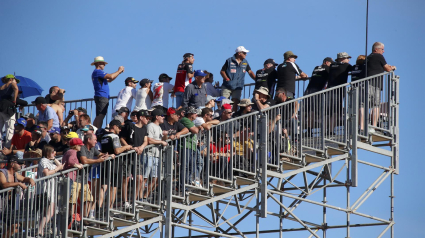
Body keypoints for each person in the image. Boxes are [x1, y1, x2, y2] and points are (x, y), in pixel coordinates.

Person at [0, 155, 35, 238]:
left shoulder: (15, 174)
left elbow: (23, 179)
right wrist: (18, 183)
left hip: (7, 205)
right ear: (12, 164)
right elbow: (4, 185)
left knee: (14, 225)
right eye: (19, 164)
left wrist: (30, 179)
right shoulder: (2, 173)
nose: (21, 165)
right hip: (1, 203)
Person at [100, 120, 132, 208]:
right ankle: (109, 209)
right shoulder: (114, 136)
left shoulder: (103, 137)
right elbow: (117, 150)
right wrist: (126, 147)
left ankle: (98, 207)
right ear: (114, 126)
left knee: (103, 187)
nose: (120, 130)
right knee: (113, 187)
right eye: (119, 127)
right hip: (115, 165)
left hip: (105, 164)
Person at [366, 42, 397, 133]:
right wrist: (393, 68)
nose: (383, 51)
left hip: (365, 84)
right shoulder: (378, 56)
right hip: (375, 85)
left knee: (363, 106)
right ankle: (374, 126)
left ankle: (364, 126)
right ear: (376, 49)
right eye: (382, 49)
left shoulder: (368, 58)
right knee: (375, 105)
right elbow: (387, 68)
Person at [79, 133, 110, 218]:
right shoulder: (82, 148)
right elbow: (84, 161)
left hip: (85, 177)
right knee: (84, 199)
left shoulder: (92, 148)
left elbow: (99, 154)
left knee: (90, 197)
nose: (96, 142)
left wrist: (107, 155)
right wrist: (98, 161)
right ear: (89, 140)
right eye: (95, 140)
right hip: (78, 178)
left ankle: (87, 216)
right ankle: (83, 218)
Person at [37, 145, 64, 237]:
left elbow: (61, 166)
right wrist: (57, 169)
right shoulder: (43, 160)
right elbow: (47, 173)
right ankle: (40, 231)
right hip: (45, 190)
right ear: (47, 152)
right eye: (52, 152)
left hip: (51, 190)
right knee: (48, 212)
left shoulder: (50, 161)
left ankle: (41, 231)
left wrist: (54, 159)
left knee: (48, 212)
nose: (54, 153)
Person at [91, 56, 125, 128]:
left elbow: (110, 80)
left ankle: (94, 129)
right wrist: (118, 70)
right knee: (101, 115)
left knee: (98, 115)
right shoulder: (98, 72)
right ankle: (98, 130)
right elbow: (111, 77)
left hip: (100, 96)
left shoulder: (96, 73)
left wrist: (118, 73)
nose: (104, 65)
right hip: (102, 96)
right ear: (99, 64)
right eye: (103, 63)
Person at [303, 57, 333, 132]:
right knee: (314, 110)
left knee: (308, 110)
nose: (331, 65)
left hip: (308, 90)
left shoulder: (316, 67)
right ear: (326, 62)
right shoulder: (328, 68)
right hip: (317, 91)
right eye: (331, 63)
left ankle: (308, 130)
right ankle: (316, 130)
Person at [144, 109, 167, 201]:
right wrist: (161, 141)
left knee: (155, 179)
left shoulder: (159, 128)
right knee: (145, 177)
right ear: (156, 117)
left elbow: (163, 140)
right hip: (149, 154)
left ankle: (145, 196)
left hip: (157, 156)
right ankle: (139, 197)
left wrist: (165, 136)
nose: (163, 117)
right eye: (162, 115)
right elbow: (149, 140)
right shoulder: (150, 126)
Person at [327, 52, 353, 134]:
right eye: (347, 58)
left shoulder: (332, 66)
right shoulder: (346, 66)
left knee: (328, 112)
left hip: (329, 90)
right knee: (336, 111)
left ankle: (326, 130)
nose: (348, 60)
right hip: (338, 91)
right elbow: (355, 70)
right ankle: (330, 130)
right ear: (342, 58)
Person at [62, 138, 85, 227]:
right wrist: (78, 165)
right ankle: (68, 218)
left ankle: (69, 218)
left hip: (67, 178)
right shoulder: (72, 152)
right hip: (69, 178)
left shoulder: (68, 151)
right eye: (80, 145)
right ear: (76, 146)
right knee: (69, 199)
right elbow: (71, 161)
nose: (81, 147)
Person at [179, 107, 201, 188]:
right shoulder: (185, 120)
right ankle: (183, 185)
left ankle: (187, 184)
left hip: (192, 146)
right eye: (195, 113)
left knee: (191, 167)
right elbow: (195, 130)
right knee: (185, 166)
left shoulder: (191, 122)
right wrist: (198, 128)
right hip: (186, 146)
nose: (196, 115)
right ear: (190, 113)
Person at [131, 110, 150, 202]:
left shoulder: (144, 128)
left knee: (140, 179)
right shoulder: (131, 126)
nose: (148, 119)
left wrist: (141, 147)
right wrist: (132, 147)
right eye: (146, 118)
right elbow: (123, 139)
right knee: (129, 179)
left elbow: (146, 141)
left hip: (139, 156)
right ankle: (130, 201)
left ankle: (136, 199)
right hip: (129, 156)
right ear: (141, 117)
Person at [0, 75, 19, 149]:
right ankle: (7, 147)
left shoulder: (2, 87)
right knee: (9, 128)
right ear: (11, 79)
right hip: (8, 108)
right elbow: (16, 89)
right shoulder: (12, 84)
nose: (16, 82)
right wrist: (14, 100)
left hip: (1, 107)